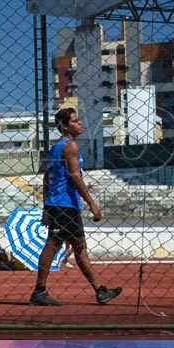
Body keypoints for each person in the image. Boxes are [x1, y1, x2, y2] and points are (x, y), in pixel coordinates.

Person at [31, 107, 122, 306]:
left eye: (78, 120)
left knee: (80, 248)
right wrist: (92, 203)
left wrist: (46, 205)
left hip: (63, 204)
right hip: (64, 204)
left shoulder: (56, 148)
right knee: (53, 245)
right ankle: (39, 291)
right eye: (74, 121)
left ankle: (100, 290)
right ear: (65, 126)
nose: (79, 123)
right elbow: (75, 176)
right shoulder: (69, 147)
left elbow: (47, 177)